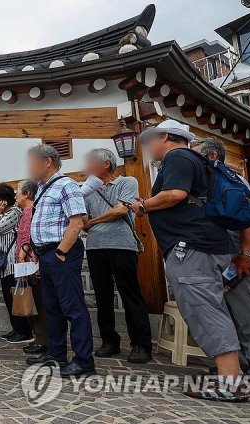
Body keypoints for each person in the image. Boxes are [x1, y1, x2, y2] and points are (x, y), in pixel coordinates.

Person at [129, 120, 245, 401]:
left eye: (150, 140)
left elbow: (175, 194)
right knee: (208, 308)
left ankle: (231, 384)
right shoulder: (194, 160)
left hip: (192, 248)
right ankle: (229, 376)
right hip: (201, 246)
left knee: (205, 311)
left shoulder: (178, 156)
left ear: (165, 137)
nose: (147, 147)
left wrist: (143, 206)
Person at [190, 137, 250, 386]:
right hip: (216, 259)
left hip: (236, 258)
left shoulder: (233, 181)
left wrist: (245, 255)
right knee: (227, 316)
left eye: (197, 156)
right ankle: (242, 366)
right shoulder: (208, 183)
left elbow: (249, 220)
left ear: (212, 157)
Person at [25, 144, 95, 378]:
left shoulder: (66, 185)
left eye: (33, 161)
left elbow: (77, 221)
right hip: (47, 255)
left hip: (61, 253)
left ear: (47, 162)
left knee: (72, 307)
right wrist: (37, 249)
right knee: (52, 308)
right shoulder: (42, 189)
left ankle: (84, 361)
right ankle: (56, 355)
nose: (29, 166)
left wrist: (61, 251)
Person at [82, 148, 152, 364]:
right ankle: (109, 341)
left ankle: (141, 344)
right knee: (102, 296)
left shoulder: (127, 182)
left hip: (122, 245)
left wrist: (93, 222)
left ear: (105, 164)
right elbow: (83, 222)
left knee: (130, 294)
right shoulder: (87, 190)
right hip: (95, 247)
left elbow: (121, 210)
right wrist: (90, 221)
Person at [0, 183, 31, 344]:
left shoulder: (14, 212)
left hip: (11, 263)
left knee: (16, 298)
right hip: (4, 264)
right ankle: (17, 328)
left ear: (3, 201)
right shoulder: (5, 214)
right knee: (8, 297)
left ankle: (24, 331)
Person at [14, 180, 48, 355]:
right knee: (37, 303)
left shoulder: (29, 210)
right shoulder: (27, 210)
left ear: (27, 194)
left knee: (38, 304)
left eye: (18, 192)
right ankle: (40, 339)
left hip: (30, 265)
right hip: (32, 264)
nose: (15, 195)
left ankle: (42, 340)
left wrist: (21, 258)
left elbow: (27, 236)